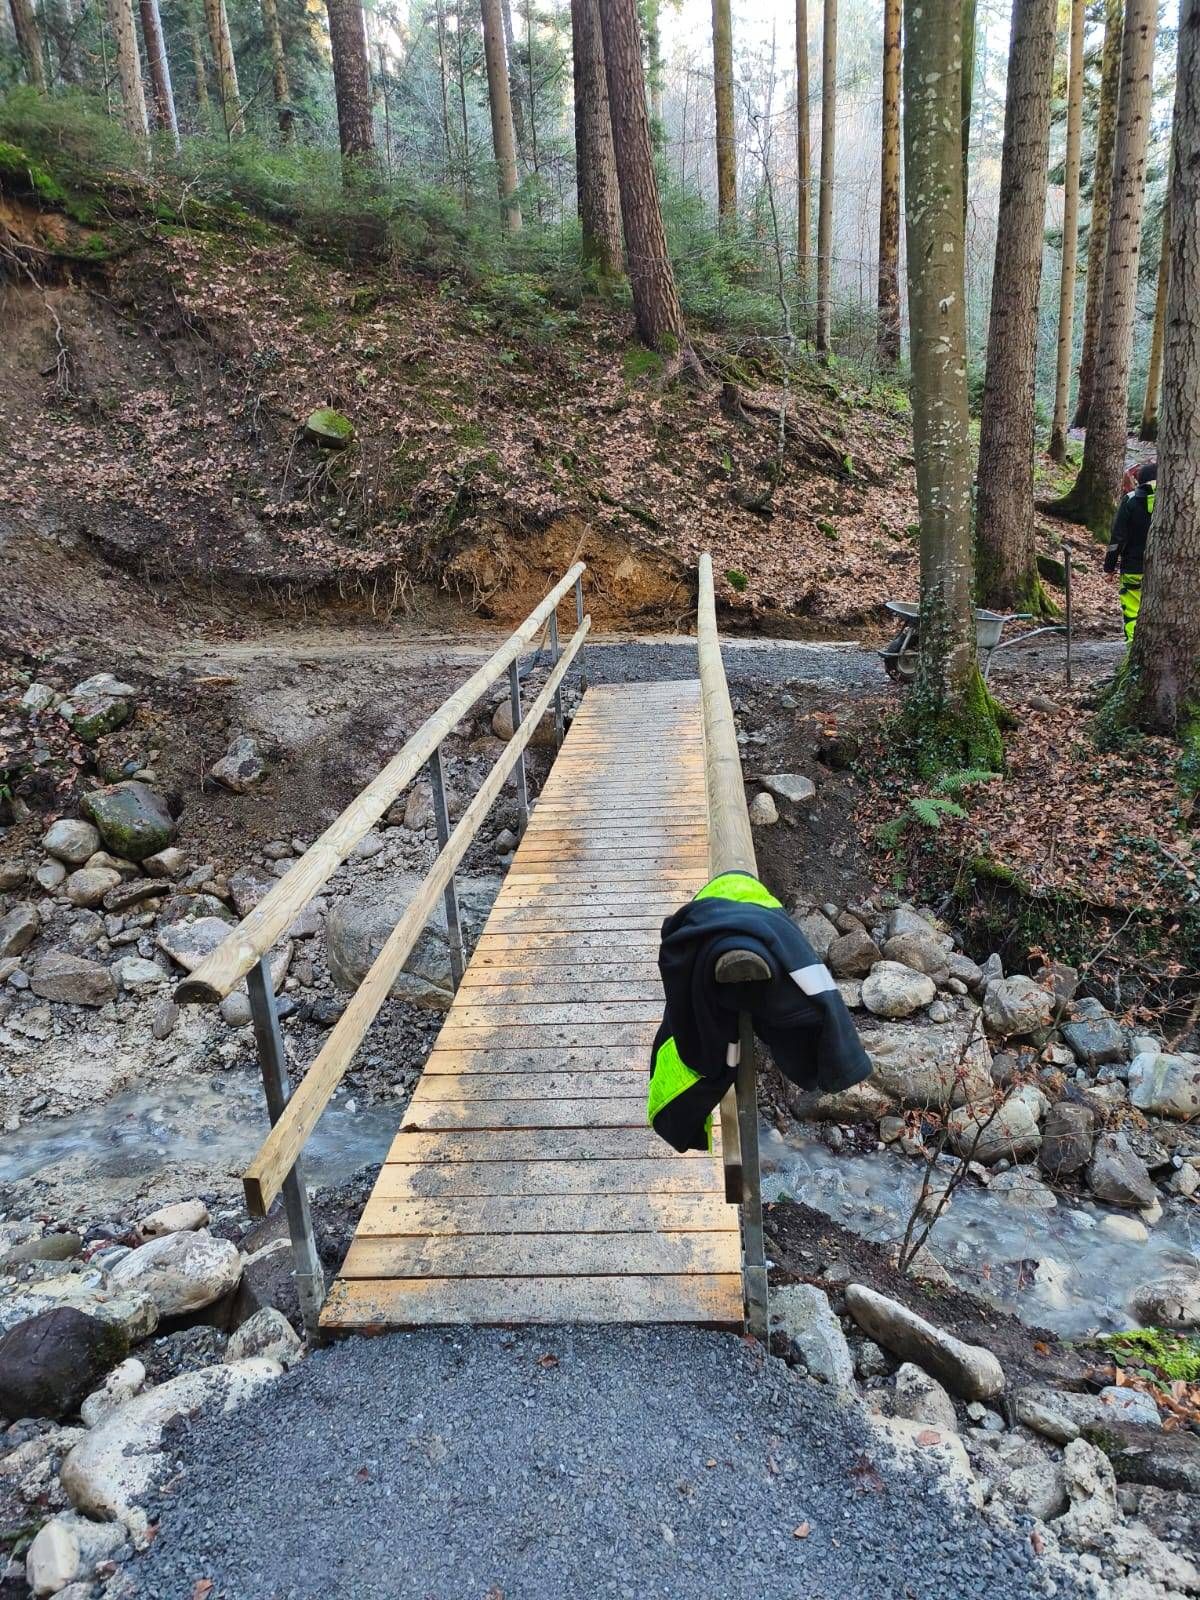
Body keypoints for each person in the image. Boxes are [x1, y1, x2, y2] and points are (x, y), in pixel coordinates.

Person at [1105, 460, 1156, 642]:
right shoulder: (1175, 499)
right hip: (1166, 569)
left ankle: (1133, 654)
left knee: (1133, 612)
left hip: (1134, 567)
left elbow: (1118, 537)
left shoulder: (1131, 500)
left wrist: (1109, 567)